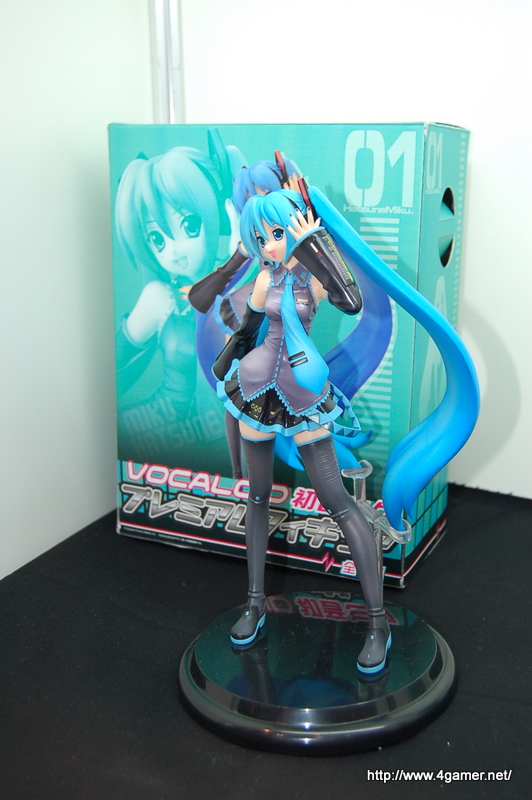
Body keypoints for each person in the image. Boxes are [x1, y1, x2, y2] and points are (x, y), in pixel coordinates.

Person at [213, 188, 479, 674]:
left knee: (337, 501)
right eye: (262, 237)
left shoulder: (313, 277)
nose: (270, 245)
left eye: (278, 233)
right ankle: (253, 603)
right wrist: (228, 359)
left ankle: (378, 623)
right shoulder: (264, 277)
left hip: (302, 394)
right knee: (257, 496)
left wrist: (315, 241)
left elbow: (351, 300)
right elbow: (248, 328)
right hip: (256, 390)